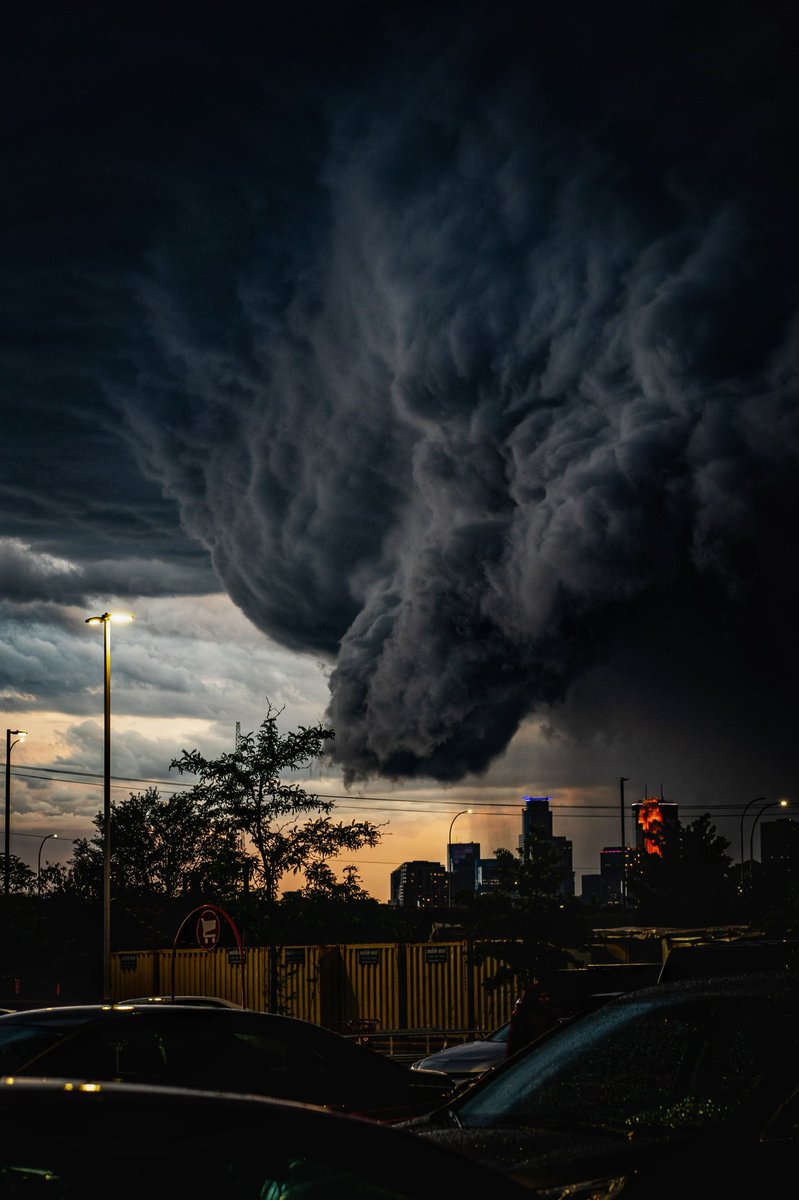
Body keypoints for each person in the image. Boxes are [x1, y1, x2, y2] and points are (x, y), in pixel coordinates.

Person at [505, 981, 561, 1057]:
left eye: (547, 996)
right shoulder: (523, 1017)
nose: (546, 999)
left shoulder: (550, 1015)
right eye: (542, 997)